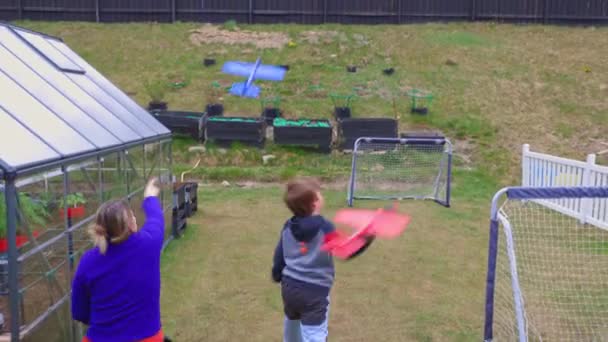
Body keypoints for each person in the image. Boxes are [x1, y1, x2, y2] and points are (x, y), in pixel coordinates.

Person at [71, 178, 165, 342]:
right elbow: (156, 219)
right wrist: (150, 196)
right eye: (132, 216)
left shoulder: (88, 261)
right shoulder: (150, 244)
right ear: (131, 225)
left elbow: (79, 312)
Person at [271, 177, 338, 342]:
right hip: (315, 292)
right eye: (319, 194)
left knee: (292, 327)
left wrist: (276, 274)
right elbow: (345, 249)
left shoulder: (288, 226)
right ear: (315, 202)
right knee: (314, 335)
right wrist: (366, 237)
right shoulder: (326, 228)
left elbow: (280, 254)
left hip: (289, 288)